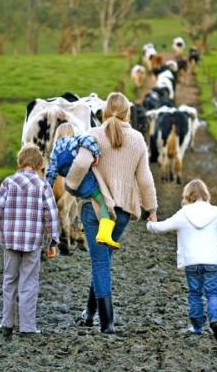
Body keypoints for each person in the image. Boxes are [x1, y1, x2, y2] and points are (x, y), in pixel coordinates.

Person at [65, 92, 158, 334]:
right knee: (103, 260)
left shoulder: (93, 135)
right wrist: (152, 208)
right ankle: (89, 313)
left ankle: (107, 323)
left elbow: (80, 164)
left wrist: (70, 186)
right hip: (123, 213)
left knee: (100, 262)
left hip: (95, 210)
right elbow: (145, 178)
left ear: (104, 112)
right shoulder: (137, 139)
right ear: (128, 113)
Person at [146, 179, 217, 342]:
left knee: (195, 294)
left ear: (188, 196)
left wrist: (151, 223)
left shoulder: (183, 213)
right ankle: (215, 320)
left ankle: (197, 327)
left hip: (191, 262)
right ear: (206, 195)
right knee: (213, 293)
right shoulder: (215, 211)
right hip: (211, 261)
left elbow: (161, 227)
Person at [0, 143, 59, 338]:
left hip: (10, 241)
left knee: (9, 280)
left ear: (20, 163)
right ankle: (27, 327)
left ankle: (7, 323)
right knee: (29, 282)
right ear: (39, 165)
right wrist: (53, 242)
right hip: (33, 243)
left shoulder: (8, 183)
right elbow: (51, 215)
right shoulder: (43, 186)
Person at [46, 123, 119, 249]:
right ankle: (104, 234)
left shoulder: (55, 150)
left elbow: (51, 172)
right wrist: (96, 154)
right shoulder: (74, 140)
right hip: (85, 181)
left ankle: (79, 227)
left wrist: (47, 189)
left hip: (70, 186)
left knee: (80, 201)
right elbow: (88, 140)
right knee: (102, 202)